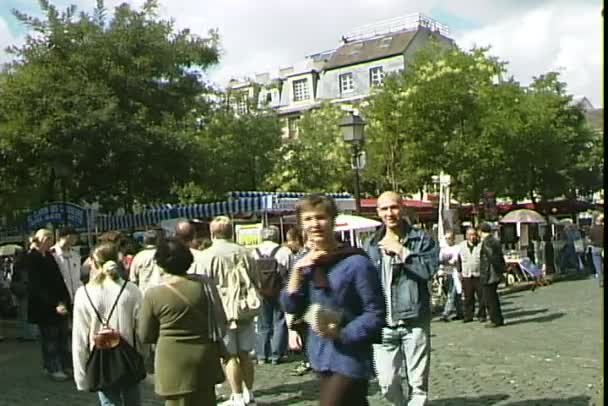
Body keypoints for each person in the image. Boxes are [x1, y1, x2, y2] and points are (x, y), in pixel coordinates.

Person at [281, 194, 386, 406]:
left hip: (350, 356)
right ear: (301, 225)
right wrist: (297, 273)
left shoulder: (356, 263)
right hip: (321, 354)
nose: (315, 224)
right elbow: (291, 306)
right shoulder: (306, 264)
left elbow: (376, 312)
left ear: (332, 220)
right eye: (308, 219)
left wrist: (343, 333)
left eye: (320, 218)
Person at [364, 191, 438, 406]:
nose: (390, 213)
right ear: (378, 212)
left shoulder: (421, 239)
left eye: (394, 207)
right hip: (383, 323)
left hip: (414, 319)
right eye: (384, 209)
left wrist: (402, 252)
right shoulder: (371, 244)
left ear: (402, 208)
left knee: (418, 384)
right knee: (386, 383)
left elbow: (428, 270)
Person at [139, 237, 226, 406]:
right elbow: (220, 318)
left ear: (161, 263)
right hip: (205, 358)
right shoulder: (206, 286)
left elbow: (145, 335)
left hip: (172, 362)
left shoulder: (154, 295)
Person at [196, 216, 259, 406]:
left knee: (229, 355)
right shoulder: (246, 252)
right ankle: (249, 393)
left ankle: (237, 395)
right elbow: (256, 280)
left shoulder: (206, 256)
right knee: (245, 353)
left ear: (212, 232)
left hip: (221, 310)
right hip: (245, 307)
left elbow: (201, 285)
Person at [72, 242, 145, 405]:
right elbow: (141, 330)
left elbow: (79, 339)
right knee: (133, 401)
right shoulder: (132, 290)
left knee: (109, 402)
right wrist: (142, 355)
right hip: (128, 356)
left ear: (92, 261)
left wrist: (81, 376)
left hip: (100, 359)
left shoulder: (83, 293)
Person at [25, 228, 72, 381]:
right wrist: (53, 304)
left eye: (51, 238)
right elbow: (36, 286)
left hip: (58, 302)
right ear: (38, 240)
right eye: (46, 238)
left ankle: (64, 365)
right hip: (44, 306)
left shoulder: (50, 257)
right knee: (50, 338)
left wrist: (65, 300)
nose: (49, 240)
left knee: (62, 337)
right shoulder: (32, 258)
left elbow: (59, 279)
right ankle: (53, 367)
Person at [252, 226, 291, 365]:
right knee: (279, 321)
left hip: (261, 291)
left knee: (263, 323)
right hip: (279, 290)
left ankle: (262, 355)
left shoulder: (254, 252)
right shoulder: (284, 251)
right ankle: (276, 354)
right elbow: (289, 271)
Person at [478, 223, 505, 327]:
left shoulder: (487, 242)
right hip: (493, 272)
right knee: (493, 297)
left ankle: (495, 319)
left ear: (481, 231)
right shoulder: (494, 240)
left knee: (490, 298)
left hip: (489, 273)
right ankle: (498, 318)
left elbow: (492, 258)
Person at [458, 227, 485, 323]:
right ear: (466, 236)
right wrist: (459, 272)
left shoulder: (481, 245)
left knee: (482, 297)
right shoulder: (461, 246)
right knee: (468, 297)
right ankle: (468, 315)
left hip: (478, 274)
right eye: (470, 235)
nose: (472, 237)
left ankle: (482, 315)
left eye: (474, 234)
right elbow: (459, 260)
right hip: (467, 275)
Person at [51, 227, 82, 304]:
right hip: (60, 298)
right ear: (67, 236)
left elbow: (78, 276)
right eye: (74, 237)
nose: (75, 240)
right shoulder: (52, 254)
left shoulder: (75, 255)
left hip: (77, 297)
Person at [438, 231, 463, 322]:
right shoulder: (443, 249)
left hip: (455, 274)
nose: (448, 240)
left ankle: (446, 313)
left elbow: (455, 260)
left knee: (451, 294)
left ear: (453, 238)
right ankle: (460, 312)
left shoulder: (457, 248)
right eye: (446, 238)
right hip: (446, 274)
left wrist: (450, 262)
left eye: (449, 238)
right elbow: (440, 261)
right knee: (454, 294)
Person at [129, 229, 163, 294]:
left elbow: (133, 279)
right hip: (162, 292)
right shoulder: (164, 254)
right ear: (157, 240)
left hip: (145, 293)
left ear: (144, 241)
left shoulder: (138, 257)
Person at [587, 215, 604, 287]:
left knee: (598, 266)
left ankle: (601, 281)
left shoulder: (592, 229)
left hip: (596, 248)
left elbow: (590, 239)